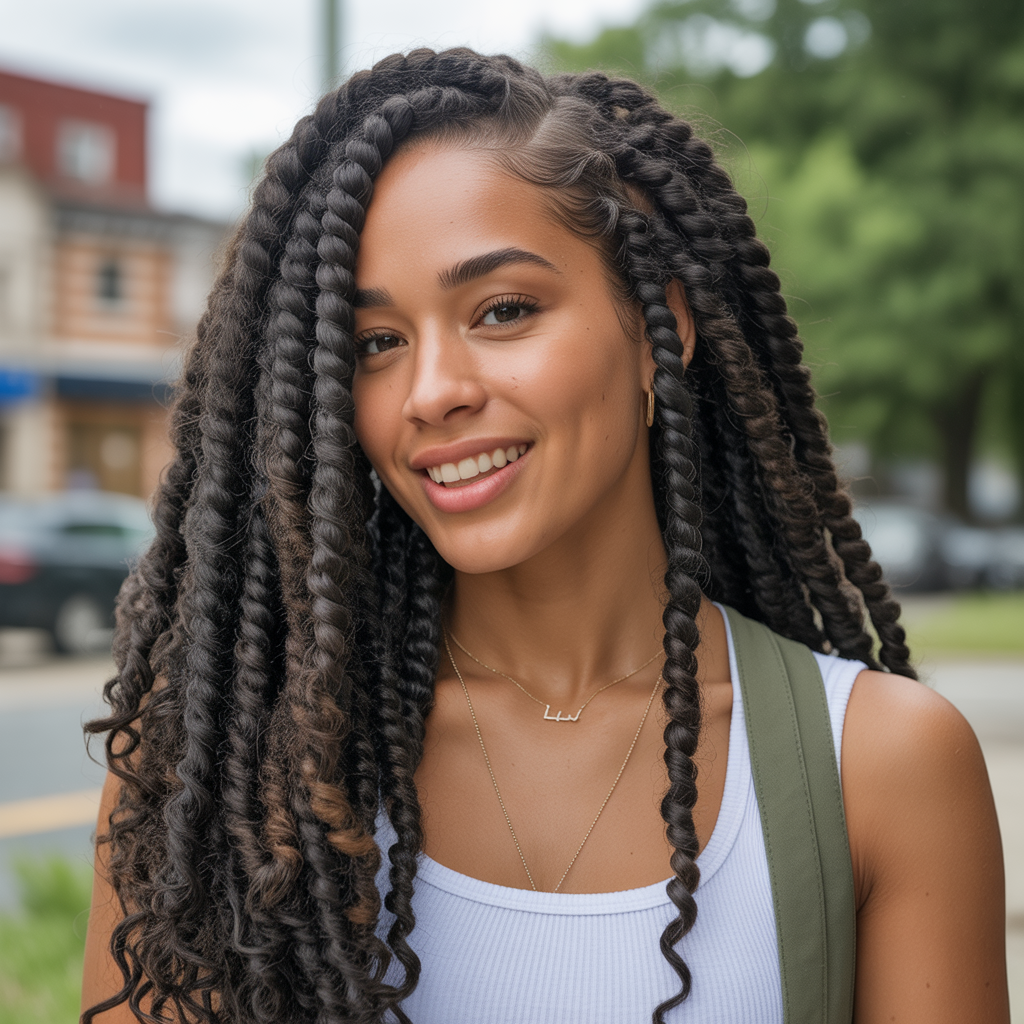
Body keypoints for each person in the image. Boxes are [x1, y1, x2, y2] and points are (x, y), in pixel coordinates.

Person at [81, 48, 1009, 1024]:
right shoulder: (220, 782)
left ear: (661, 326)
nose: (432, 392)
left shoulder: (877, 766)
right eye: (376, 344)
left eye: (503, 310)